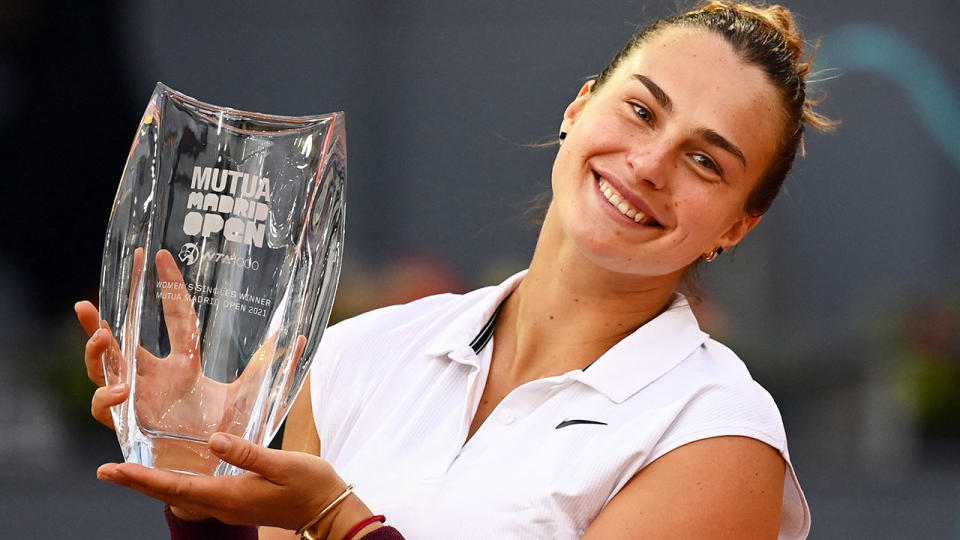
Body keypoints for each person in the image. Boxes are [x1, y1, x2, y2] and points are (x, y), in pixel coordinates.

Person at [77, 1, 834, 538]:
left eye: (704, 160)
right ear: (579, 107)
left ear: (737, 225)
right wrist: (205, 499)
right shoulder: (359, 353)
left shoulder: (718, 435)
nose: (649, 164)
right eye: (641, 111)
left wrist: (340, 521)